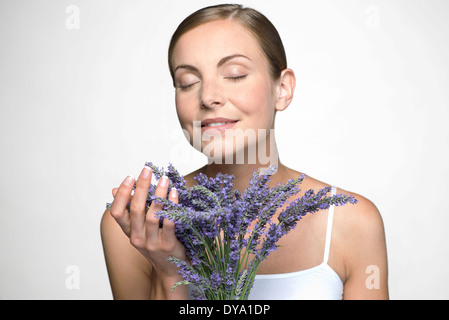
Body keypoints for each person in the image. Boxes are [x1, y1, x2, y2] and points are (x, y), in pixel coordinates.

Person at [101, 4, 389, 300]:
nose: (208, 97)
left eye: (235, 74)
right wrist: (170, 273)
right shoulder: (135, 224)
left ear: (283, 89)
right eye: (188, 82)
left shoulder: (351, 223)